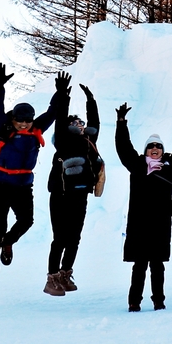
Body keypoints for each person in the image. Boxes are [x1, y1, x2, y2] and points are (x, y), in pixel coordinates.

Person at [114, 102, 172, 312]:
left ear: (162, 150)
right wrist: (121, 122)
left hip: (160, 224)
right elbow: (124, 148)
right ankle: (134, 302)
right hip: (139, 224)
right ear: (146, 151)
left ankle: (158, 300)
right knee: (139, 266)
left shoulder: (169, 167)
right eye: (151, 146)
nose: (154, 149)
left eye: (158, 146)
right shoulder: (137, 166)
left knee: (158, 266)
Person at [0, 63, 57, 276]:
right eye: (20, 120)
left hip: (23, 186)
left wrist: (60, 95)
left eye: (28, 120)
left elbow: (52, 113)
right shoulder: (3, 128)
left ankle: (8, 242)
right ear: (13, 119)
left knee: (26, 221)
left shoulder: (36, 129)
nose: (24, 124)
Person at [44, 76, 103, 297]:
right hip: (61, 196)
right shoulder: (62, 140)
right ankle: (51, 278)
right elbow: (60, 120)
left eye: (81, 123)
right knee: (60, 238)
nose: (80, 125)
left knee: (74, 238)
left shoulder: (89, 143)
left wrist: (91, 101)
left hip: (80, 196)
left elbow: (95, 124)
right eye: (75, 123)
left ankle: (64, 274)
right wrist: (64, 96)